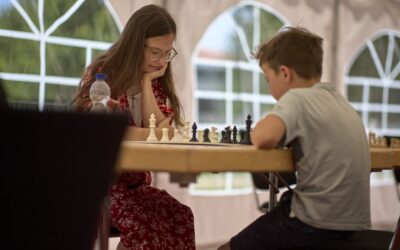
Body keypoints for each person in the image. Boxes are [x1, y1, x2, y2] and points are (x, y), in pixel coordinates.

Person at [218, 27, 371, 250]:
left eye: (268, 80)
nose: (269, 89)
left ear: (285, 74)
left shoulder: (297, 98)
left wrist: (256, 131)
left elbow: (264, 138)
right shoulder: (338, 99)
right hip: (351, 221)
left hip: (314, 219)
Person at [72, 4, 195, 250]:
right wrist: (152, 133)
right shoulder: (102, 74)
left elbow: (162, 130)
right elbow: (98, 129)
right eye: (155, 52)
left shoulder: (156, 78)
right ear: (135, 44)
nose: (161, 61)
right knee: (144, 223)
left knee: (181, 215)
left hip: (136, 187)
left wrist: (146, 81)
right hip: (101, 187)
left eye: (167, 53)